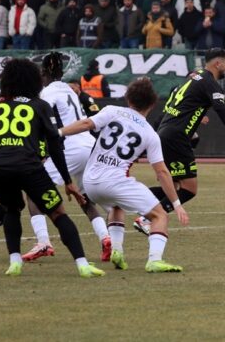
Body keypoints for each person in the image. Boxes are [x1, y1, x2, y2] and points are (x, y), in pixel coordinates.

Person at [0, 58, 104, 277]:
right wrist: (68, 182)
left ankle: (14, 262)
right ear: (32, 80)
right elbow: (55, 145)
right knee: (58, 213)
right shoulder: (39, 105)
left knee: (11, 209)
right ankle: (82, 264)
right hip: (30, 168)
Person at [60, 77, 190, 272]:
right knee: (160, 216)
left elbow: (87, 123)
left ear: (128, 99)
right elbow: (162, 172)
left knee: (116, 206)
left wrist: (59, 132)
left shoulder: (112, 110)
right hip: (115, 181)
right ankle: (155, 260)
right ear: (153, 104)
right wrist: (177, 204)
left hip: (91, 182)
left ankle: (117, 250)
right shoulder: (150, 133)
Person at [132, 48, 225, 234]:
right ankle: (146, 217)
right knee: (189, 189)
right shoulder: (210, 83)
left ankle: (131, 199)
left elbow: (175, 100)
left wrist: (191, 117)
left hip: (166, 132)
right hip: (176, 138)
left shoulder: (194, 76)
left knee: (175, 186)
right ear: (217, 64)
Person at [20, 53, 113, 262]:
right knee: (84, 198)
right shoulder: (70, 90)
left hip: (69, 146)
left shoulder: (47, 92)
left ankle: (43, 242)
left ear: (43, 73)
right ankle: (105, 237)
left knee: (34, 192)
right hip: (89, 145)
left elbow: (44, 119)